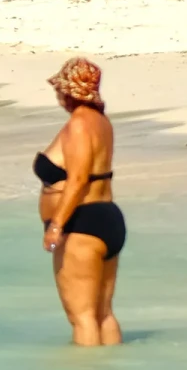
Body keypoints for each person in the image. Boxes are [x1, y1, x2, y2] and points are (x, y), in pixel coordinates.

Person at [35, 57, 124, 346]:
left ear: (69, 91)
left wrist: (56, 225)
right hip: (107, 218)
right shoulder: (102, 123)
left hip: (81, 224)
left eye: (60, 90)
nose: (58, 96)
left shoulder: (79, 125)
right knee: (103, 314)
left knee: (81, 317)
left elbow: (78, 179)